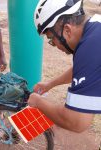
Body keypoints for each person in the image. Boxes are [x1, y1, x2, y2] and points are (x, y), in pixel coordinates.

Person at [28, 0, 101, 133]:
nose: (54, 45)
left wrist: (38, 102)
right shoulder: (95, 26)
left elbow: (76, 121)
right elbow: (84, 69)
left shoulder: (90, 48)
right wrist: (49, 84)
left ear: (67, 30)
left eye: (51, 39)